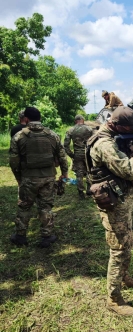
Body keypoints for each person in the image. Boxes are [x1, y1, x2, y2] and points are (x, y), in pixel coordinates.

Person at [86, 106, 133, 316]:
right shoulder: (104, 144)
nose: (132, 131)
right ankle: (114, 299)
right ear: (116, 125)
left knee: (127, 243)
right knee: (118, 250)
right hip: (114, 205)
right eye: (129, 128)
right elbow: (128, 170)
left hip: (122, 201)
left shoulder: (115, 136)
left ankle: (123, 278)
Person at [9, 106, 69, 248]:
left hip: (28, 178)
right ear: (40, 118)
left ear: (26, 119)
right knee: (46, 206)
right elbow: (62, 157)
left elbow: (13, 161)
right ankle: (47, 237)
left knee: (24, 207)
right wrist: (64, 173)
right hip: (48, 177)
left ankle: (20, 237)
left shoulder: (18, 137)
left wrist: (18, 178)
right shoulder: (52, 135)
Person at [64, 115, 93, 199]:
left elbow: (66, 145)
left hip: (77, 154)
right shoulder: (89, 129)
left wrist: (72, 155)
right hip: (88, 154)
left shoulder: (71, 130)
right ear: (82, 120)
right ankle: (89, 190)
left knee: (79, 173)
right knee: (89, 172)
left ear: (75, 121)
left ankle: (81, 192)